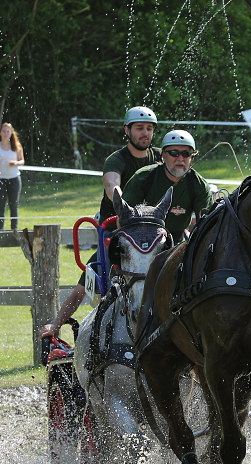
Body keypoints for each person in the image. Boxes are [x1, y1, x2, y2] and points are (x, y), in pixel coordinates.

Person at [39, 106, 160, 340]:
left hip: (149, 236)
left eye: (149, 128)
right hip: (118, 233)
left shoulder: (159, 156)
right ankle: (55, 325)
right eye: (139, 128)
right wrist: (121, 201)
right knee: (89, 280)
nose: (145, 133)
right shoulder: (117, 159)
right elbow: (111, 184)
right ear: (127, 130)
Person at [121, 129, 213, 241]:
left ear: (192, 157)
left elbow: (209, 225)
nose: (180, 159)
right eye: (174, 153)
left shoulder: (199, 186)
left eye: (186, 154)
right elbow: (123, 217)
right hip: (142, 241)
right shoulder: (143, 178)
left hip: (177, 244)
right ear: (163, 156)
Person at [0, 123, 24, 230]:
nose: (5, 133)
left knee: (14, 205)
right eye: (3, 131)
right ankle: (1, 230)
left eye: (8, 131)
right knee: (1, 205)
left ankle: (14, 230)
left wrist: (15, 163)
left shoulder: (16, 145)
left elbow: (22, 160)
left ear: (11, 133)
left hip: (14, 178)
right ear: (0, 133)